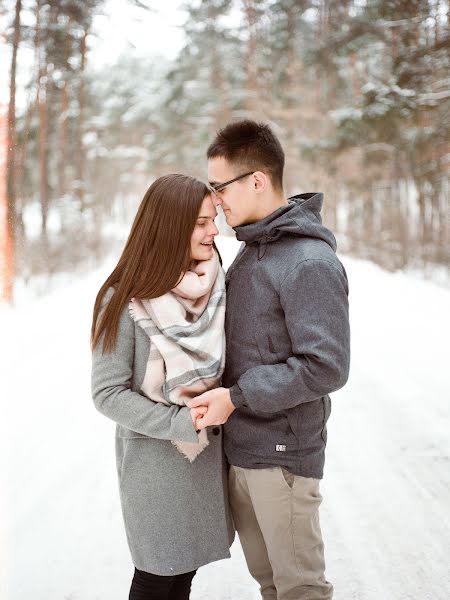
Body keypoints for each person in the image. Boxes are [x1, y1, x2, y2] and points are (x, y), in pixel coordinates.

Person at [188, 120, 351, 600]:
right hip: (244, 450)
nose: (217, 201)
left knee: (299, 589)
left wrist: (236, 397)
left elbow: (326, 366)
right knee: (270, 585)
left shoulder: (306, 262)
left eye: (220, 188)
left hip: (282, 457)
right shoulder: (254, 250)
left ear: (257, 180)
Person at [91, 174, 234, 600]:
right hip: (155, 466)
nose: (214, 231)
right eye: (202, 222)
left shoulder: (215, 285)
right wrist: (184, 420)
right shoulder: (123, 299)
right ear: (170, 225)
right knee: (156, 579)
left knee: (182, 576)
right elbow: (107, 393)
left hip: (206, 463)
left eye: (213, 220)